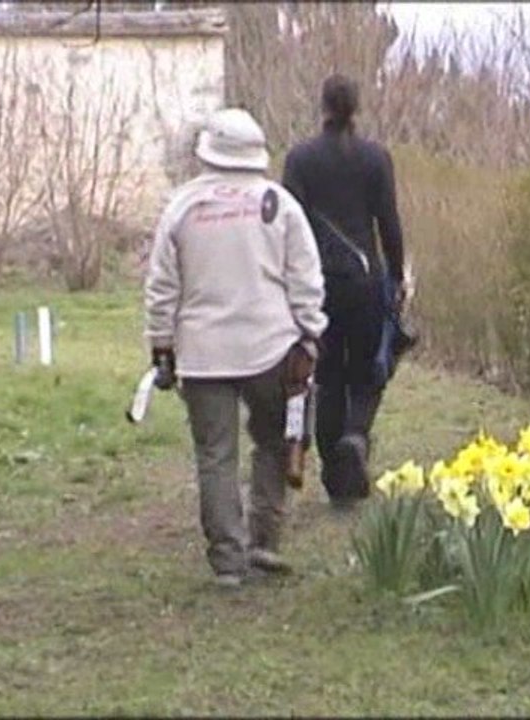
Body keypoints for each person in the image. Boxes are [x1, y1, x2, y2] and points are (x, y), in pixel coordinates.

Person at [144, 108, 327, 588]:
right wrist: (311, 331)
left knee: (215, 456)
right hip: (271, 348)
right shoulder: (279, 204)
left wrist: (161, 344)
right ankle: (264, 539)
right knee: (274, 441)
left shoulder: (182, 207)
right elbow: (305, 277)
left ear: (208, 152)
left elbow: (162, 286)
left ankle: (227, 560)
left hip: (202, 353)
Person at [282, 74, 407, 510]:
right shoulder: (375, 158)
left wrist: (287, 281)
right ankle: (356, 436)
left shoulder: (300, 159)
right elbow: (388, 223)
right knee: (370, 371)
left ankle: (337, 479)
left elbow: (287, 226)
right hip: (365, 281)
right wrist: (397, 276)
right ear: (356, 109)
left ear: (322, 107)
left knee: (328, 375)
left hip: (316, 284)